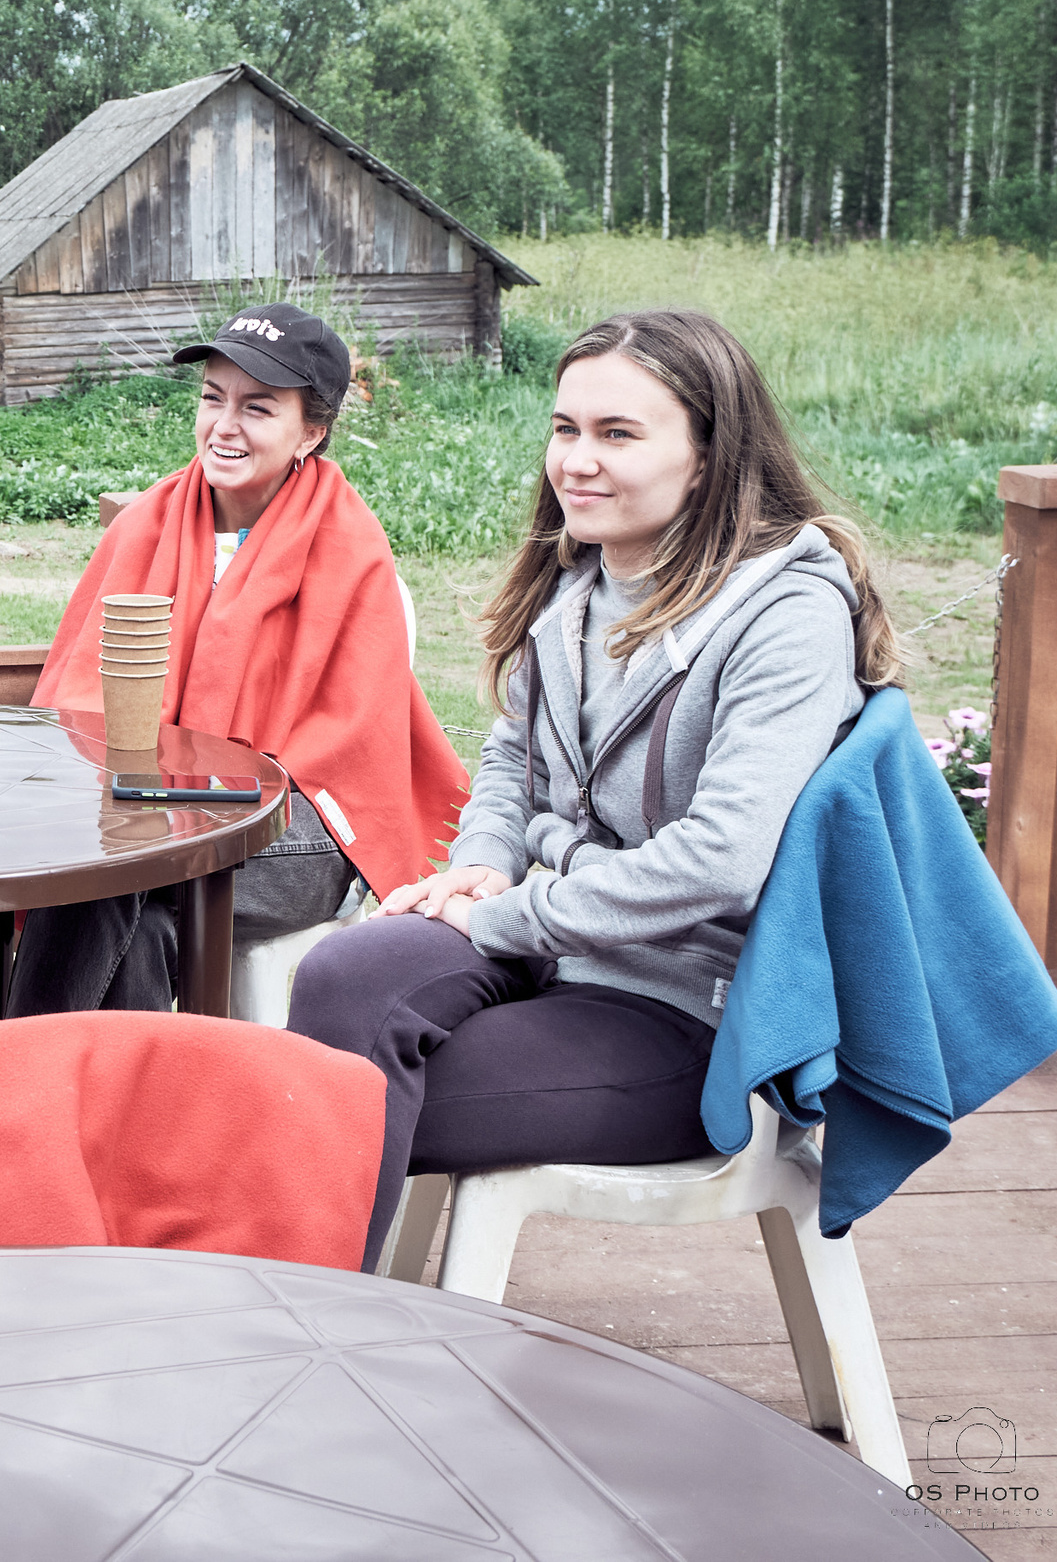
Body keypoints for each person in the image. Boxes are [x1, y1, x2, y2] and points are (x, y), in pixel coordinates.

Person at [288, 309, 906, 1270]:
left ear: (707, 454)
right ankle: (313, 1301)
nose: (576, 462)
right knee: (341, 979)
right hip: (554, 941)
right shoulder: (581, 577)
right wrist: (483, 865)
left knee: (329, 1099)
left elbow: (721, 861)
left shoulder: (788, 614)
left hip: (685, 1004)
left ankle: (306, 1321)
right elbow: (510, 758)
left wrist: (508, 916)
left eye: (618, 434)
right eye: (565, 428)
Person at [12, 303, 466, 1016]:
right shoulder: (146, 525)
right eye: (212, 398)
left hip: (300, 825)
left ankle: (13, 1070)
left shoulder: (349, 547)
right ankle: (124, 1091)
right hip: (150, 806)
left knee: (110, 867)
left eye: (257, 408)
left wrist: (191, 798)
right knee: (133, 908)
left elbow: (351, 744)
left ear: (311, 431)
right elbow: (85, 692)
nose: (224, 426)